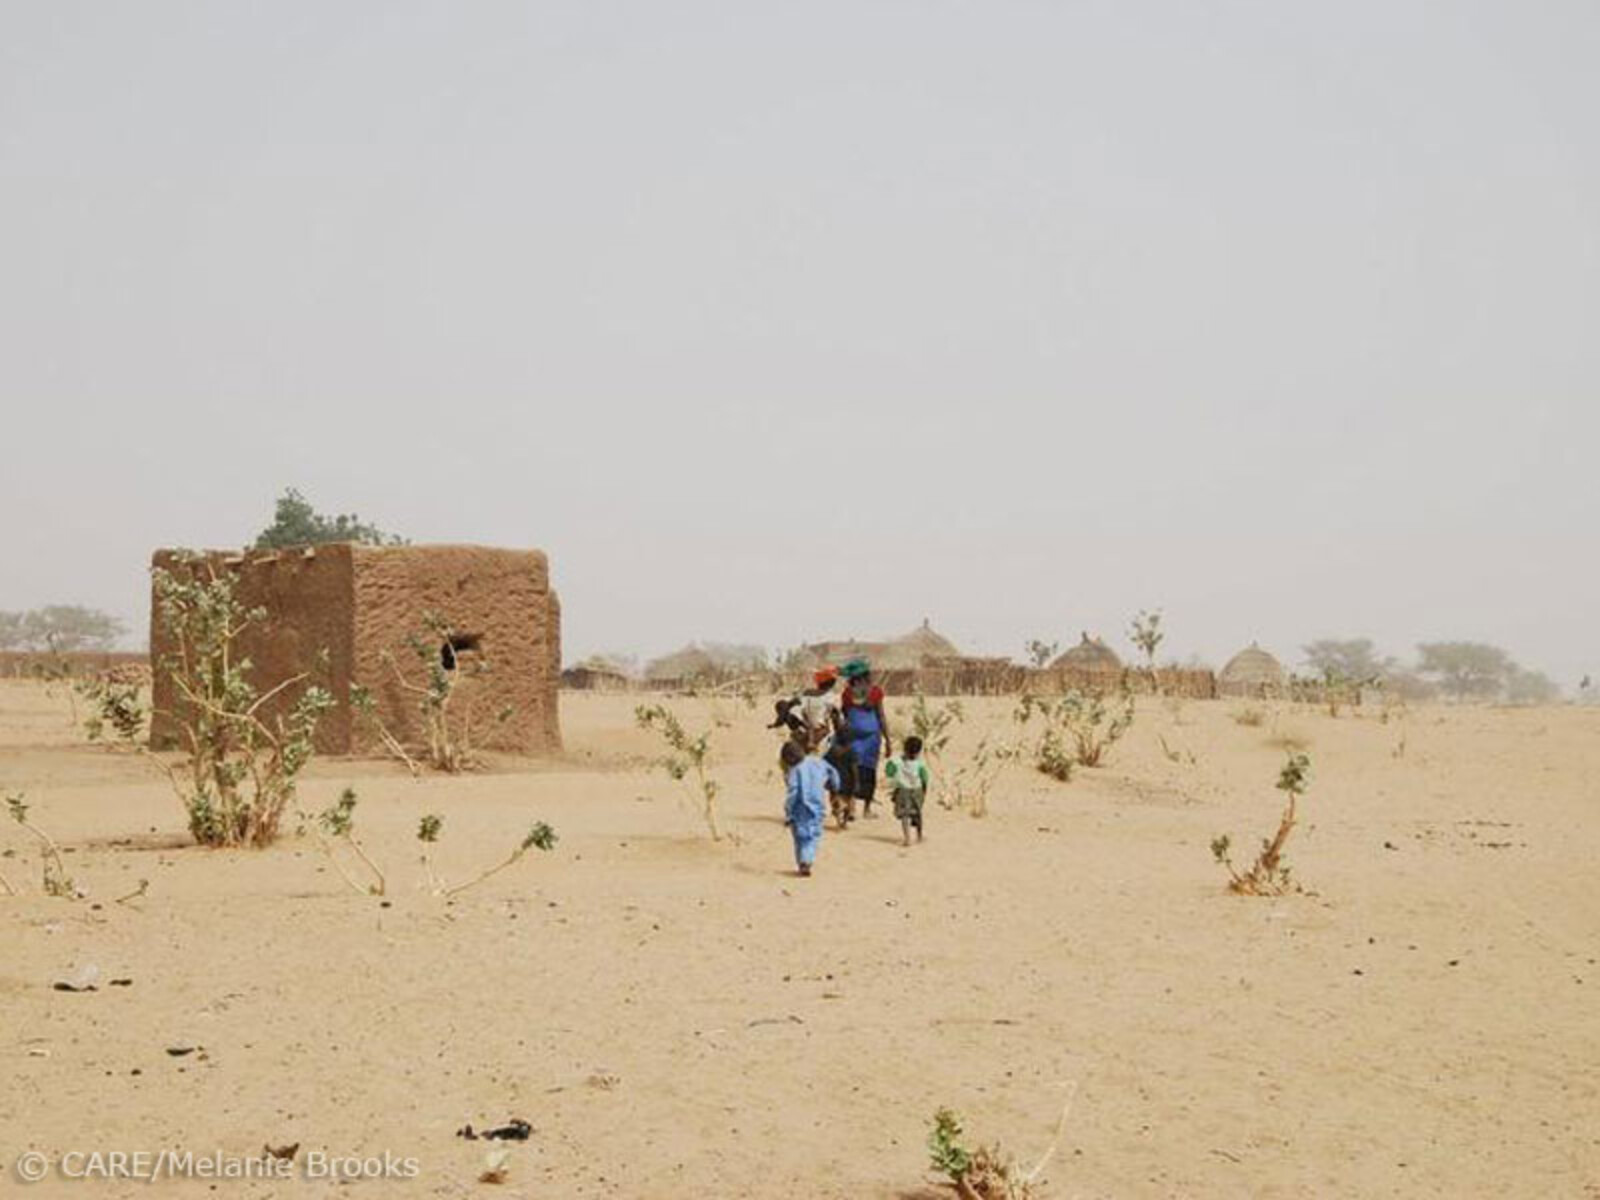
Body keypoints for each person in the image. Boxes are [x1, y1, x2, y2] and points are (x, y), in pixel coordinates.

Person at [839, 659, 891, 817]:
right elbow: (881, 716)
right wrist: (888, 740)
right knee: (869, 771)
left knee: (853, 769)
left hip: (854, 735)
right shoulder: (875, 692)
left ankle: (852, 806)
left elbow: (846, 714)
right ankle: (866, 809)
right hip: (872, 737)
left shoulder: (848, 693)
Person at [781, 739, 838, 877]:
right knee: (814, 835)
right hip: (818, 805)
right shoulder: (817, 762)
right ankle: (808, 859)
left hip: (800, 807)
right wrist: (835, 786)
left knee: (800, 837)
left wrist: (788, 811)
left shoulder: (795, 770)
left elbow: (793, 791)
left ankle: (803, 861)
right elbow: (833, 772)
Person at [884, 736, 931, 846]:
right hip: (917, 790)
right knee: (917, 814)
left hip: (903, 791)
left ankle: (907, 838)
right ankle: (919, 835)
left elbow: (889, 772)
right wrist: (924, 792)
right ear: (919, 751)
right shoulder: (920, 764)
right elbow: (925, 778)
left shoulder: (897, 761)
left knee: (905, 815)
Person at [823, 733, 859, 828]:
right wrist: (856, 782)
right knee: (848, 802)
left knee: (835, 801)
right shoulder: (851, 752)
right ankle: (844, 822)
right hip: (848, 781)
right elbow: (854, 769)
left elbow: (824, 764)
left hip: (833, 781)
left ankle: (838, 819)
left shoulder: (831, 752)